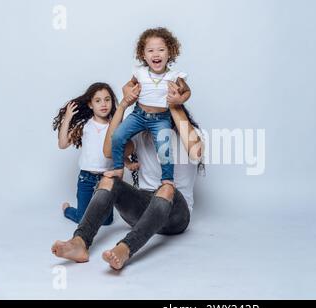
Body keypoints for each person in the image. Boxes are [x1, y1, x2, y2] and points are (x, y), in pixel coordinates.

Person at [51, 81, 204, 270]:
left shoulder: (187, 132)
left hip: (176, 216)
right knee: (109, 179)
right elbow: (108, 150)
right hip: (141, 211)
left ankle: (124, 249)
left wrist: (174, 105)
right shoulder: (140, 136)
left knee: (165, 187)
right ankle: (80, 243)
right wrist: (123, 104)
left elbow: (196, 152)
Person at [110, 27, 191, 190]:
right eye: (151, 50)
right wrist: (127, 92)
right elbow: (128, 85)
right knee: (118, 136)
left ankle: (167, 178)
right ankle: (118, 168)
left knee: (164, 148)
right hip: (138, 115)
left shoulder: (174, 76)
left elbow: (187, 91)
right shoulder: (139, 72)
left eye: (161, 50)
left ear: (170, 53)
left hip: (161, 119)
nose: (156, 54)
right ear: (143, 55)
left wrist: (178, 99)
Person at [52, 83, 117, 225]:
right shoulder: (84, 126)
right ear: (90, 104)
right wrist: (68, 118)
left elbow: (122, 150)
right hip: (86, 179)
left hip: (106, 180)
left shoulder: (114, 126)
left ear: (112, 102)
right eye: (98, 100)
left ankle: (93, 212)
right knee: (83, 220)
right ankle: (68, 210)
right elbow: (62, 144)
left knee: (107, 221)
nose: (103, 104)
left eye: (107, 99)